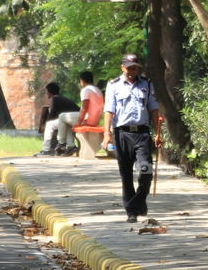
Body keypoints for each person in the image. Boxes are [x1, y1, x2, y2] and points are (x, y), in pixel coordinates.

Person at [101, 54, 162, 223]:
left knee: (145, 170)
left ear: (138, 68)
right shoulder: (113, 85)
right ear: (122, 67)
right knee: (126, 173)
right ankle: (132, 212)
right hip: (122, 133)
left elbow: (154, 109)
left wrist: (158, 133)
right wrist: (107, 134)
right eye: (128, 67)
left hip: (142, 133)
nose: (131, 70)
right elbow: (109, 111)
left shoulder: (147, 85)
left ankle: (138, 202)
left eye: (134, 67)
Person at [55, 70, 104, 154]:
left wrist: (79, 121)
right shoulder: (97, 90)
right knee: (68, 121)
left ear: (82, 80)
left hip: (88, 119)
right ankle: (71, 146)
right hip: (95, 119)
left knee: (62, 116)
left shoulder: (86, 90)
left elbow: (84, 107)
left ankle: (61, 143)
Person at [37, 82, 79, 156]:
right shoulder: (60, 98)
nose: (46, 94)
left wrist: (44, 125)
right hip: (77, 118)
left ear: (49, 92)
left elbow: (51, 115)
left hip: (76, 118)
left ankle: (46, 150)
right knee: (67, 124)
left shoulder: (55, 98)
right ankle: (71, 146)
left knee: (49, 124)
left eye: (47, 92)